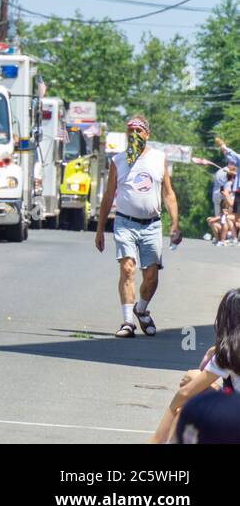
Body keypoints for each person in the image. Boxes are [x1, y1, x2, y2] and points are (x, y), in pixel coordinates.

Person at [94, 115, 179, 339]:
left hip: (151, 225)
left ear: (147, 134)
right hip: (125, 222)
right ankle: (127, 322)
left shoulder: (159, 158)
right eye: (130, 132)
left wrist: (175, 225)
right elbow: (108, 196)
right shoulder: (118, 161)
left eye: (138, 131)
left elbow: (168, 193)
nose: (134, 135)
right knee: (127, 269)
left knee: (151, 276)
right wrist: (100, 229)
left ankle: (141, 310)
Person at [150, 288, 240, 443]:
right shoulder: (226, 351)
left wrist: (172, 408)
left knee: (187, 401)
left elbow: (186, 393)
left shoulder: (230, 351)